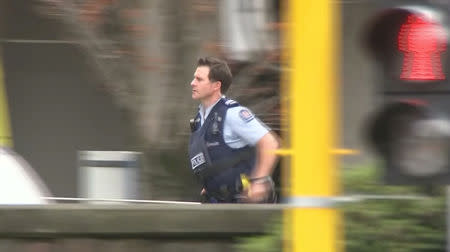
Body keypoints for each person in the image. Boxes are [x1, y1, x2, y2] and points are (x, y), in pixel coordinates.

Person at [188, 56, 280, 203]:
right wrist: (211, 184)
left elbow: (270, 143)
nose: (192, 83)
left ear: (216, 85)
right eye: (194, 78)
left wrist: (259, 181)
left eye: (199, 79)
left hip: (244, 206)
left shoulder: (233, 114)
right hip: (218, 204)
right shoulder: (200, 118)